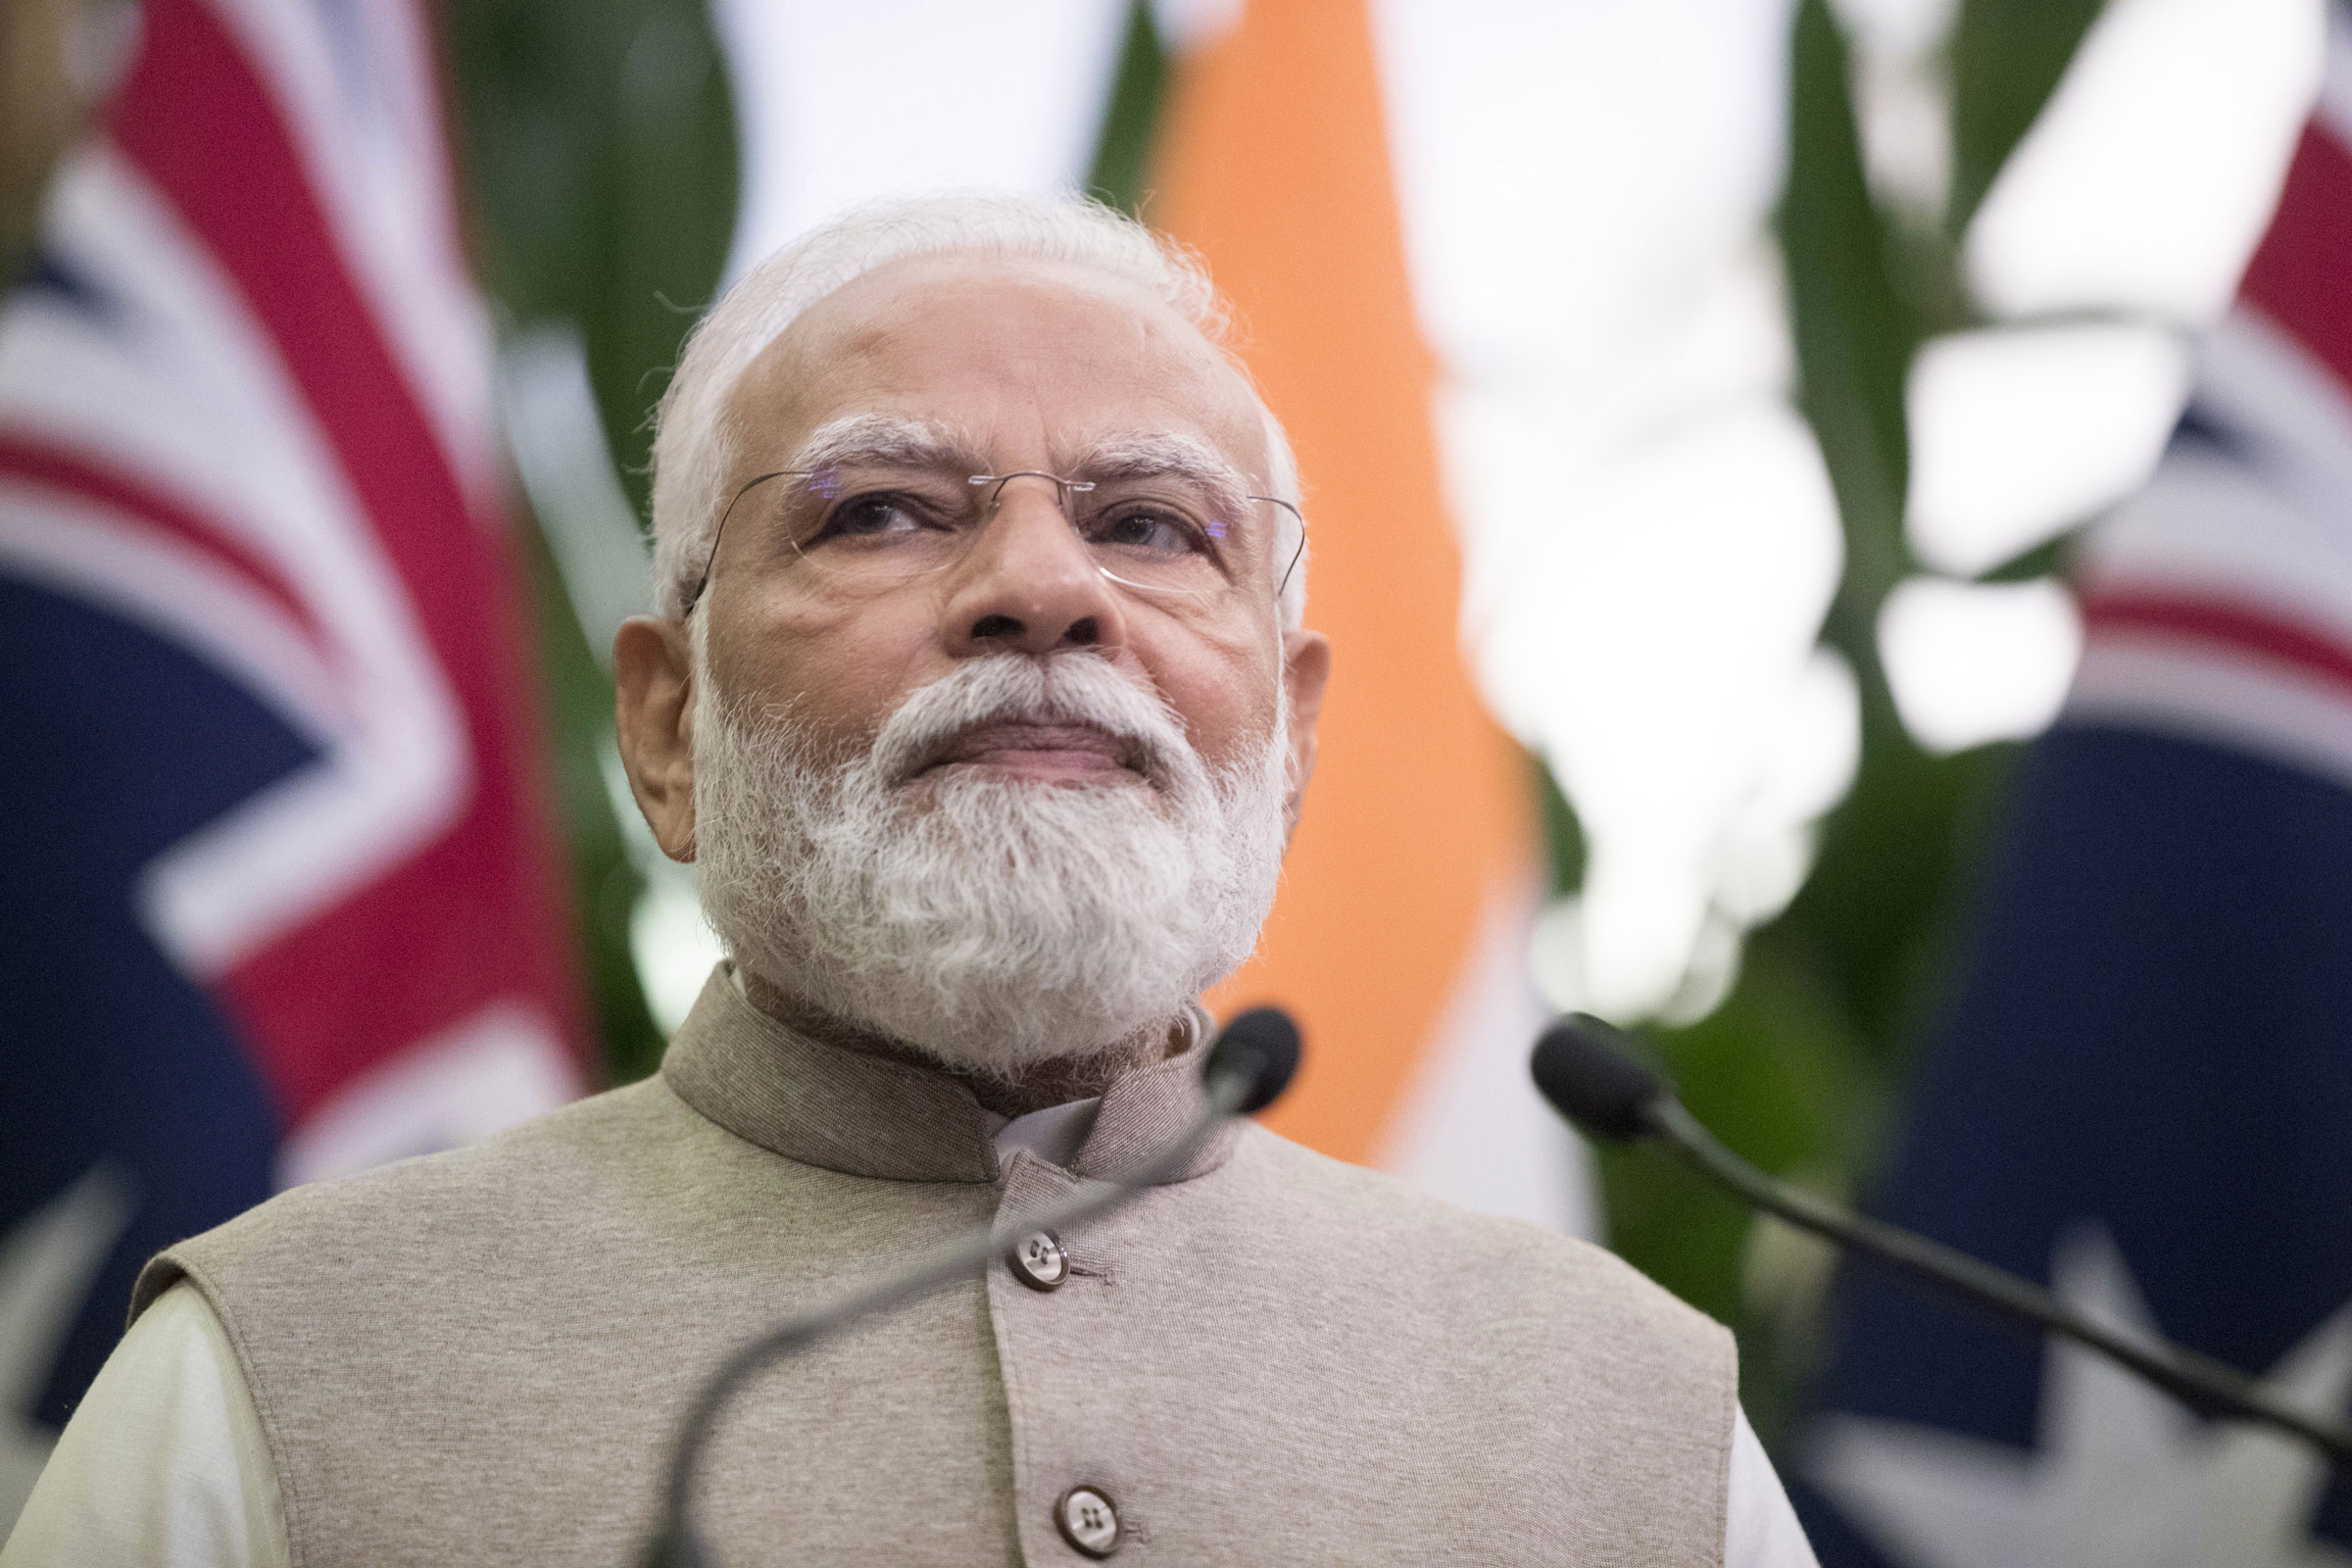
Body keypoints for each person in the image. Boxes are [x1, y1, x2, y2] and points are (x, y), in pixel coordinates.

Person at [3, 194, 1818, 1566]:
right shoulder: (273, 1378)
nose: (1043, 586)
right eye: (880, 510)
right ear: (665, 731)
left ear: (1297, 734)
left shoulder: (1633, 1417)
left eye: (1152, 525)